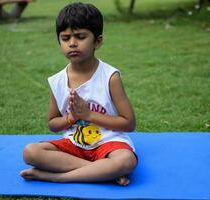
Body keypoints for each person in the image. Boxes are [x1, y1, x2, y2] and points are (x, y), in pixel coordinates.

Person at [20, 2, 137, 186]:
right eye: (65, 38)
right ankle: (103, 171)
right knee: (30, 152)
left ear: (97, 41)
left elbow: (128, 123)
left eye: (80, 37)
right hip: (73, 144)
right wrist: (71, 118)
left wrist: (89, 115)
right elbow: (52, 124)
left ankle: (57, 177)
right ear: (59, 42)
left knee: (126, 160)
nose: (72, 43)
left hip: (108, 143)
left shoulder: (110, 77)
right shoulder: (57, 80)